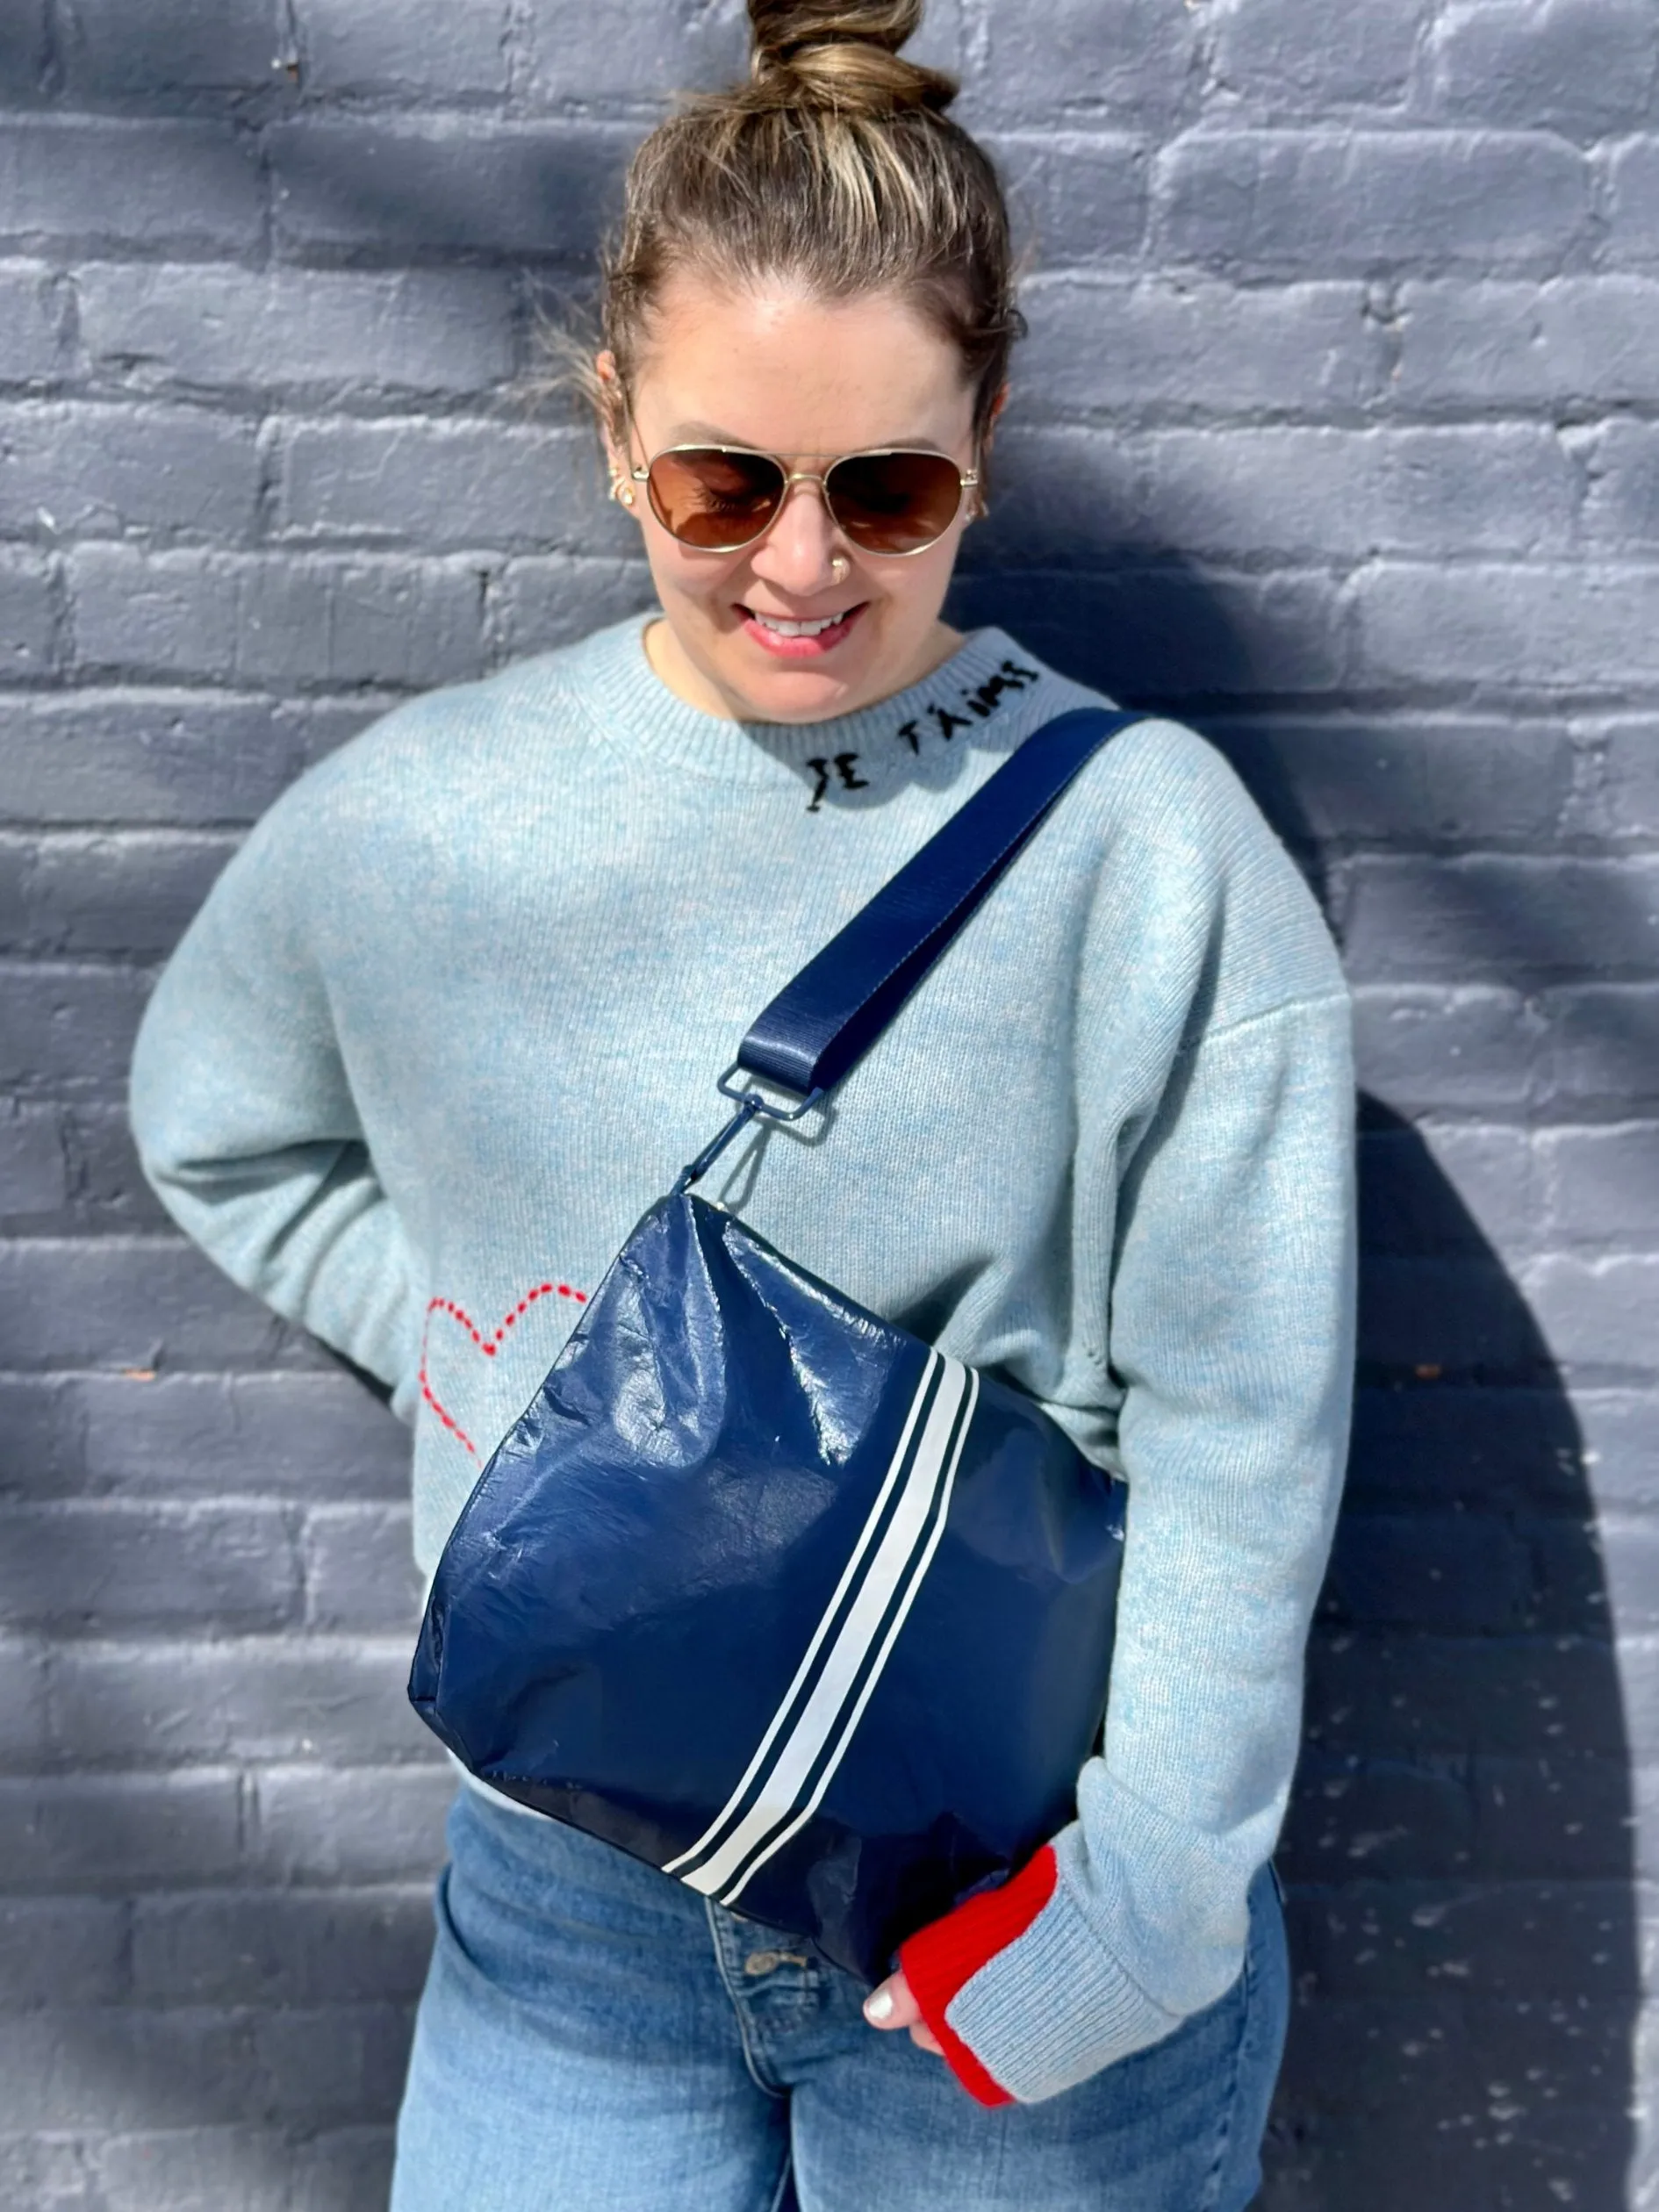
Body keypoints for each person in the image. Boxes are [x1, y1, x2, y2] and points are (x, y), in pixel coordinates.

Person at [128, 2, 1355, 2205]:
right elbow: (222, 1121)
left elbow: (1243, 1423)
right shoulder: (418, 820)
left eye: (889, 488)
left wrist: (1145, 1913)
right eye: (724, 482)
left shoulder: (1146, 850)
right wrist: (495, 1362)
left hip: (1010, 1892)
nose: (804, 568)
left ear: (988, 435)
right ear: (615, 430)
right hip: (567, 1915)